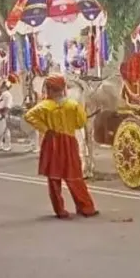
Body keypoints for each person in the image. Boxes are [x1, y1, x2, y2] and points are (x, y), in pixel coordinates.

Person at [24, 74, 99, 219]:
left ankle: (60, 210)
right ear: (63, 88)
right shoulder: (73, 105)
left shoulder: (44, 106)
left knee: (54, 178)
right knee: (75, 176)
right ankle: (86, 208)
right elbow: (81, 123)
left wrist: (45, 129)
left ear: (49, 89)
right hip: (69, 142)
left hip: (51, 142)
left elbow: (28, 116)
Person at [0, 80, 14, 151]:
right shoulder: (3, 94)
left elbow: (8, 105)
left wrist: (4, 113)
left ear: (5, 86)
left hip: (3, 113)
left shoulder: (7, 94)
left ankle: (7, 145)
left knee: (5, 130)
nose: (1, 87)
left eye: (2, 86)